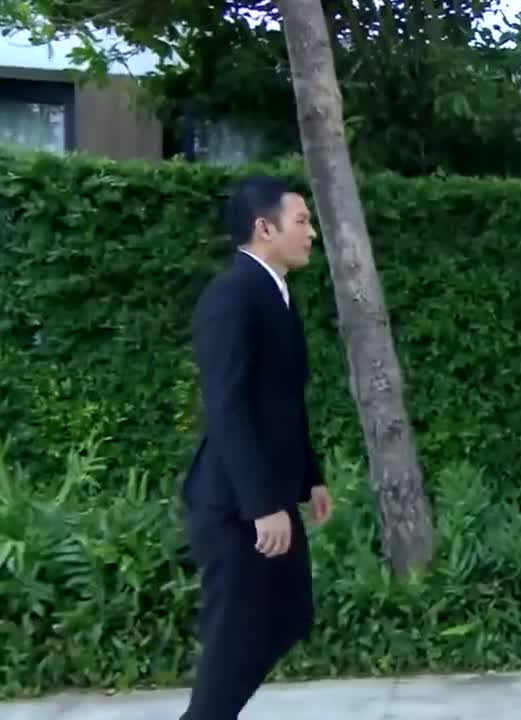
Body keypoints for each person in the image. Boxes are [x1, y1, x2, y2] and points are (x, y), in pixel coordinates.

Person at [179, 175, 334, 720]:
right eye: (302, 221)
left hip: (270, 497)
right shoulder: (232, 295)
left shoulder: (276, 294)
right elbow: (229, 408)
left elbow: (282, 401)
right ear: (264, 228)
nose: (311, 233)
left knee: (290, 616)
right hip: (235, 508)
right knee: (235, 640)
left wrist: (310, 478)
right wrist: (262, 505)